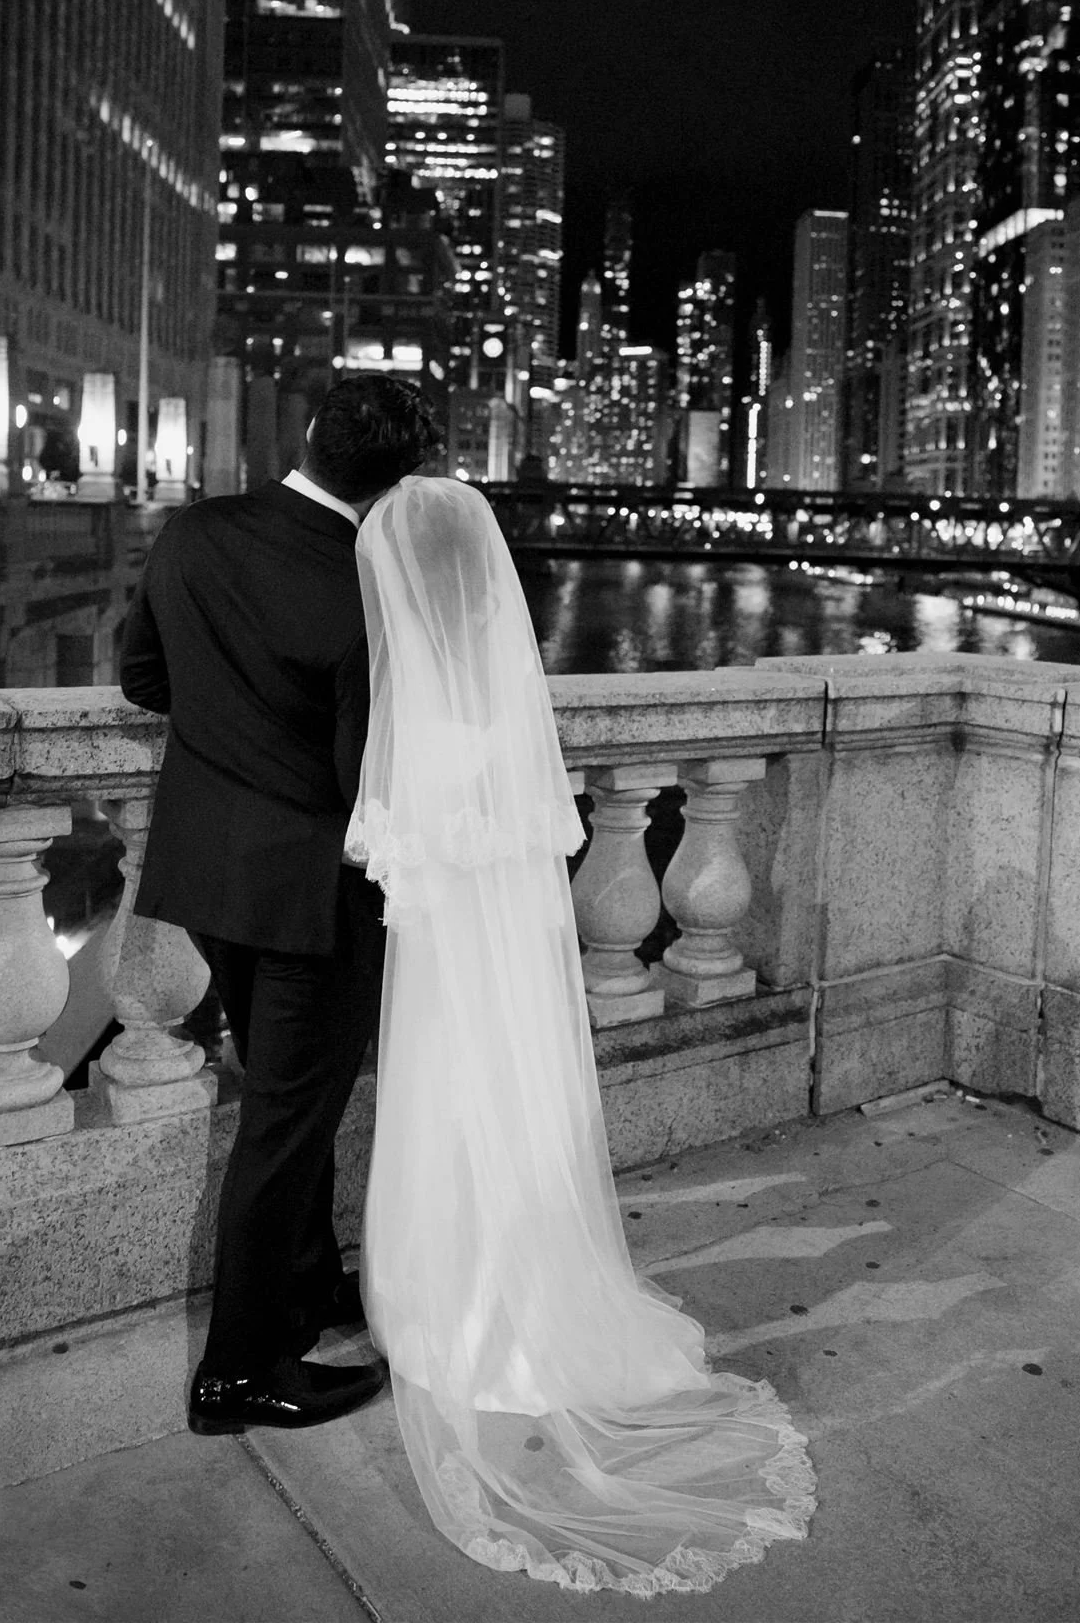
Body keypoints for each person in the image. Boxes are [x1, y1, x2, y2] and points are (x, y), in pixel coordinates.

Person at [346, 474, 816, 1597]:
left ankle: (455, 1312)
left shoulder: (410, 722)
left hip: (443, 973)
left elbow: (391, 864)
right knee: (522, 1107)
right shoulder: (508, 707)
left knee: (447, 1112)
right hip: (513, 953)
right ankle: (531, 1296)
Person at [119, 374, 442, 1435]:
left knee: (281, 1100)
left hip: (209, 871)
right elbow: (369, 774)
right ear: (399, 481)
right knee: (285, 1123)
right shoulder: (367, 581)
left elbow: (141, 676)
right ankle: (239, 1369)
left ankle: (307, 1283)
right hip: (314, 895)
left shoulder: (192, 531)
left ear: (311, 436)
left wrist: (230, 727)